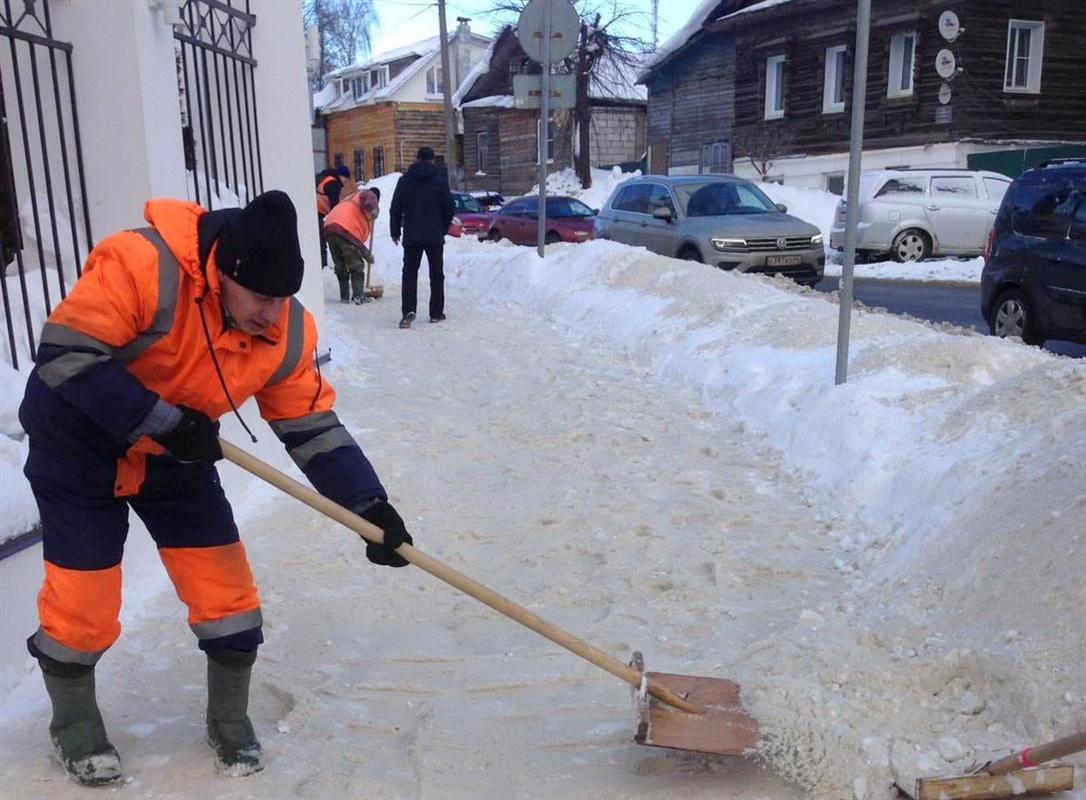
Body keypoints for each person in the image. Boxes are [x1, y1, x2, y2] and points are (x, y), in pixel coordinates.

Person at [18, 189, 415, 786]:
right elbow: (65, 353)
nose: (272, 315)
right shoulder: (141, 265)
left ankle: (228, 719)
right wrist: (164, 422)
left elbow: (311, 425)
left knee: (226, 592)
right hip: (79, 448)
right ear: (222, 273)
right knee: (84, 605)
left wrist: (368, 505)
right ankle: (73, 726)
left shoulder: (283, 331)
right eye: (260, 298)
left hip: (176, 456)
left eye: (284, 299)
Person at [389, 146, 454, 329]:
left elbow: (395, 208)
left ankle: (408, 311)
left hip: (412, 236)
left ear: (417, 159)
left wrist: (395, 231)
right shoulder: (440, 181)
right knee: (436, 275)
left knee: (409, 274)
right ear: (432, 160)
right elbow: (449, 208)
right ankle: (436, 313)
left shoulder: (404, 181)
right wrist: (442, 228)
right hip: (434, 236)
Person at [324, 186, 380, 305]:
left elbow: (356, 241)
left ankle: (344, 297)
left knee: (340, 264)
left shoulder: (351, 200)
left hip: (329, 227)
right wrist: (374, 208)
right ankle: (358, 296)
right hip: (344, 227)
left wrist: (364, 251)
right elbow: (369, 197)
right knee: (356, 264)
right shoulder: (368, 193)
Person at [315, 165, 350, 268]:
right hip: (316, 214)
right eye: (346, 178)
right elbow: (335, 206)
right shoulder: (334, 183)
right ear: (340, 176)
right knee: (321, 243)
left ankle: (321, 266)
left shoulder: (326, 179)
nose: (346, 182)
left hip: (315, 214)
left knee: (319, 241)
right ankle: (322, 267)